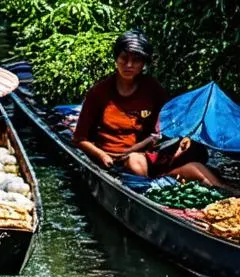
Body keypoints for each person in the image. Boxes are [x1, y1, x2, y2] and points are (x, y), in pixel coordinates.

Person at [73, 29, 225, 186]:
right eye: (124, 58)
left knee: (195, 149)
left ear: (143, 63)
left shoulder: (153, 89)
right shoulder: (99, 93)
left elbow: (167, 125)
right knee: (134, 161)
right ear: (116, 59)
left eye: (136, 60)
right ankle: (164, 182)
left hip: (146, 154)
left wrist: (184, 138)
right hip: (117, 159)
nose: (129, 65)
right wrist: (101, 155)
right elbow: (79, 139)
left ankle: (222, 189)